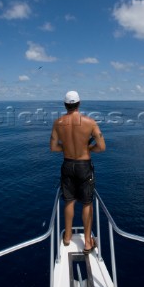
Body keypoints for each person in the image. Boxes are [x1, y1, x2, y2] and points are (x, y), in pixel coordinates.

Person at [50, 90, 106, 254]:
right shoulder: (90, 122)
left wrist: (67, 147)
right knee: (87, 203)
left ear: (65, 105)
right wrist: (88, 147)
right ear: (79, 104)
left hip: (67, 165)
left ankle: (67, 237)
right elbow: (102, 147)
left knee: (69, 201)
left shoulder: (58, 123)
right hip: (84, 165)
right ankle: (88, 243)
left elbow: (53, 148)